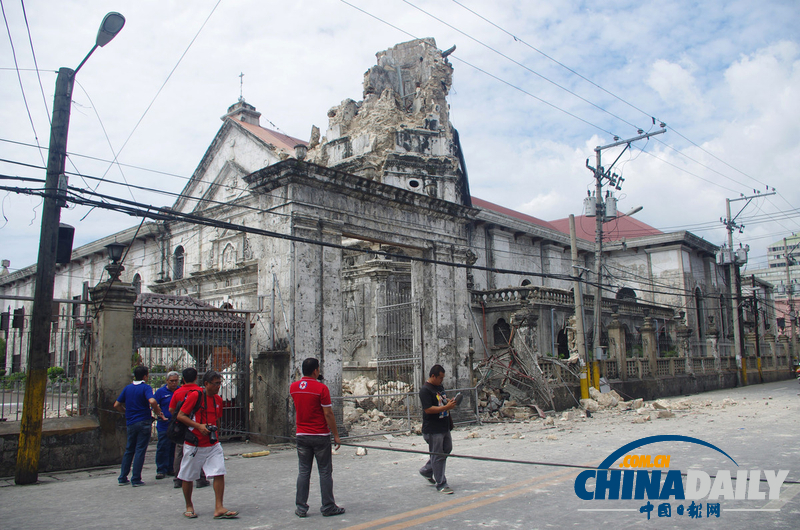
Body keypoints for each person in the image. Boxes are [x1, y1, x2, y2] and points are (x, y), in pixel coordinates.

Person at [176, 370, 238, 520]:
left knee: (219, 472)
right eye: (215, 383)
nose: (218, 386)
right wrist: (198, 426)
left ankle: (219, 506)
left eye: (219, 383)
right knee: (188, 476)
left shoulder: (217, 400)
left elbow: (217, 419)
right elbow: (180, 415)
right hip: (195, 443)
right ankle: (189, 505)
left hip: (212, 443)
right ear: (206, 384)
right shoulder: (195, 396)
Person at [289, 358, 345, 518]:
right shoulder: (321, 388)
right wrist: (336, 435)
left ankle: (301, 507)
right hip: (320, 435)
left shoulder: (293, 387)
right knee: (325, 472)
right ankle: (328, 506)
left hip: (301, 434)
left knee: (304, 471)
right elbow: (328, 413)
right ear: (315, 371)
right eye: (318, 369)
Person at [113, 365, 163, 487]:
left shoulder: (128, 388)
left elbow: (116, 405)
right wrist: (157, 411)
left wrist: (126, 411)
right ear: (145, 376)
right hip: (144, 421)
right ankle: (136, 478)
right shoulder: (145, 387)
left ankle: (123, 477)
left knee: (129, 449)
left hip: (131, 421)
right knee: (140, 450)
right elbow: (152, 401)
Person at [418, 364, 457, 494]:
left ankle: (427, 470)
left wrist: (449, 402)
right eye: (440, 378)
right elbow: (428, 409)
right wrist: (446, 408)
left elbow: (441, 402)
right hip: (433, 429)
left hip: (443, 425)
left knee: (447, 449)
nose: (442, 380)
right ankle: (441, 484)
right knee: (437, 455)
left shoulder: (439, 387)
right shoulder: (425, 390)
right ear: (433, 376)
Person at [169, 367, 209, 489]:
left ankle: (178, 478)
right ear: (196, 378)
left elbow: (171, 409)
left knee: (180, 452)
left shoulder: (178, 392)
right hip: (197, 425)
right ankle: (201, 478)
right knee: (199, 451)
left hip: (182, 425)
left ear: (183, 379)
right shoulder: (201, 392)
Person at [154, 371, 180, 479]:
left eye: (175, 381)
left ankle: (171, 468)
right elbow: (154, 404)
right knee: (163, 446)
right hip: (164, 424)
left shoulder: (179, 391)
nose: (173, 383)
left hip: (177, 424)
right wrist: (159, 414)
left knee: (174, 447)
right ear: (167, 381)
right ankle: (161, 469)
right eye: (171, 381)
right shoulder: (161, 392)